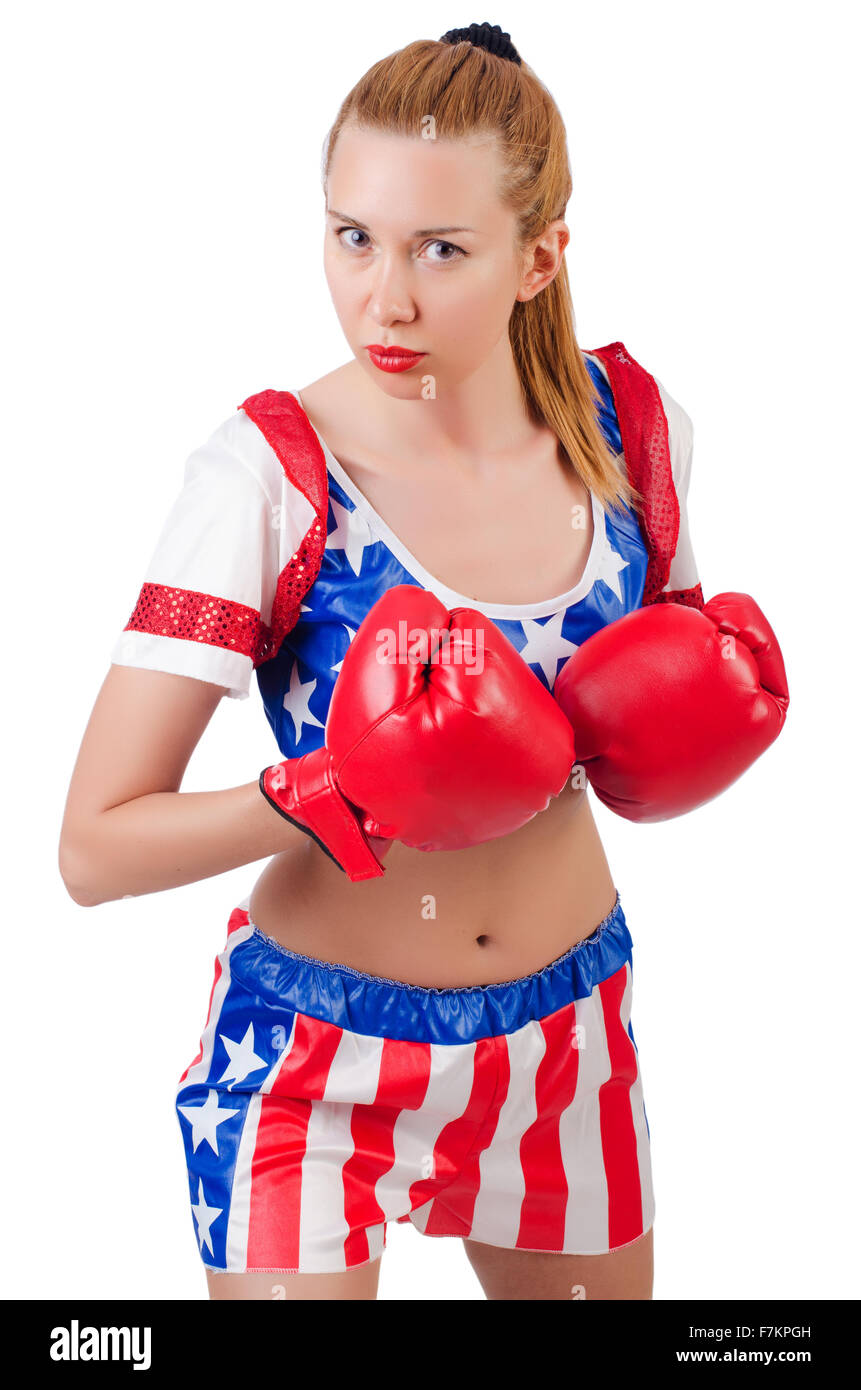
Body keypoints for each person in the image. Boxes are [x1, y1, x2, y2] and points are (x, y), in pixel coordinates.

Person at [58, 22, 788, 1301]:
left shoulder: (637, 437)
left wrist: (686, 723)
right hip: (316, 1065)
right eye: (353, 236)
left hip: (571, 1038)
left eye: (438, 250)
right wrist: (317, 791)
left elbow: (649, 706)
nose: (381, 299)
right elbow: (93, 846)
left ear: (540, 256)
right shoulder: (270, 477)